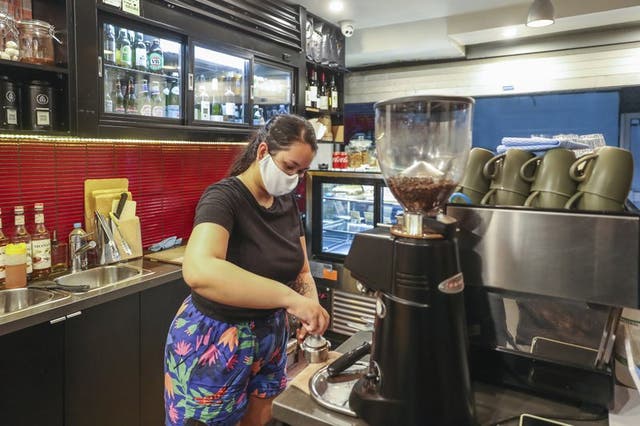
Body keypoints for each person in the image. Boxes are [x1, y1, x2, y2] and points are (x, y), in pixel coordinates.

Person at [164, 114, 330, 426]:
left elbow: (302, 270)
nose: (294, 178)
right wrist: (289, 299)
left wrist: (309, 306)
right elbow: (200, 270)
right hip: (216, 339)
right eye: (289, 167)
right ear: (263, 152)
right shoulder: (223, 197)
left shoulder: (285, 202)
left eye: (302, 171)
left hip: (270, 336)